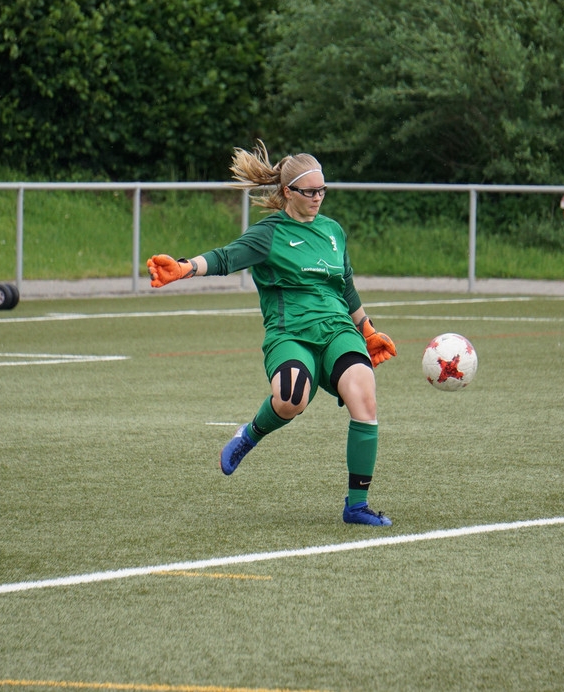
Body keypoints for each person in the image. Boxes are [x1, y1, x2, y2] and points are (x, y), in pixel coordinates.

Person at [146, 141, 397, 526]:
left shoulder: (333, 231)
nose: (317, 198)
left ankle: (357, 506)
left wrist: (367, 330)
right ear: (287, 192)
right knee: (291, 397)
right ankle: (249, 435)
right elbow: (225, 257)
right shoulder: (269, 234)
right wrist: (184, 268)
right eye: (309, 192)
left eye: (322, 190)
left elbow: (345, 286)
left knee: (364, 393)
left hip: (338, 330)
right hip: (290, 334)